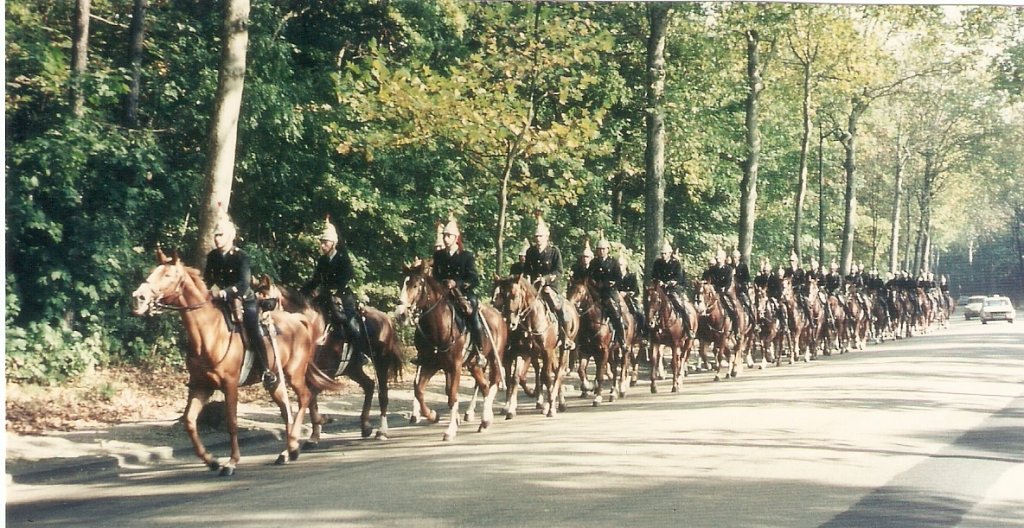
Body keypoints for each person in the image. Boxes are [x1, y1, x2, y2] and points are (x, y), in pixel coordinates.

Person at [204, 214, 277, 389]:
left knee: (253, 328)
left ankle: (266, 369)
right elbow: (207, 279)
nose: (217, 238)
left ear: (230, 236)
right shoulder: (213, 256)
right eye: (215, 235)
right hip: (220, 301)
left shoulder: (241, 256)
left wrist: (223, 292)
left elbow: (243, 284)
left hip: (243, 300)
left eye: (220, 235)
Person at [301, 216, 368, 367]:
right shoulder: (322, 261)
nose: (322, 245)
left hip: (342, 298)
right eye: (321, 242)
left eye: (325, 242)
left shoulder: (343, 259)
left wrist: (327, 290)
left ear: (333, 243)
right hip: (324, 298)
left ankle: (359, 354)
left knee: (351, 325)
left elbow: (346, 278)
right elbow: (315, 280)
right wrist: (302, 292)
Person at [432, 217, 485, 360]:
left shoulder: (466, 256)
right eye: (444, 235)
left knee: (473, 315)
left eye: (448, 236)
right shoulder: (439, 255)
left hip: (463, 293)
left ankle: (478, 350)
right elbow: (435, 276)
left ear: (456, 238)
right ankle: (427, 351)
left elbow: (474, 279)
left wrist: (457, 284)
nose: (445, 238)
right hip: (443, 294)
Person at [523, 215, 572, 350]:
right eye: (536, 236)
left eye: (540, 236)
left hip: (550, 287)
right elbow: (526, 270)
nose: (538, 239)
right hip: (533, 287)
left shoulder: (554, 252)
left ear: (546, 236)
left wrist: (546, 280)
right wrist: (527, 280)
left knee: (559, 308)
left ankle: (565, 337)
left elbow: (559, 271)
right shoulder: (530, 251)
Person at [586, 235, 626, 349]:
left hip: (609, 293)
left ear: (608, 250)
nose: (601, 251)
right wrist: (593, 283)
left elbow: (619, 278)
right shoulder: (593, 262)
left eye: (603, 249)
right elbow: (589, 276)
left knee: (616, 313)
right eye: (599, 249)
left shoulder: (613, 262)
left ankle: (621, 339)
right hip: (595, 293)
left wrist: (613, 283)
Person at [650, 240, 689, 321]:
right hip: (660, 289)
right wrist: (658, 281)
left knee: (680, 305)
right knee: (651, 304)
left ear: (670, 253)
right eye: (662, 253)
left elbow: (678, 277)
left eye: (665, 253)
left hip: (672, 289)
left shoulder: (675, 263)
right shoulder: (657, 263)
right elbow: (654, 276)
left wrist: (669, 283)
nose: (663, 255)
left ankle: (687, 325)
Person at [708, 248, 740, 337]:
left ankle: (736, 329)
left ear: (723, 259)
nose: (717, 259)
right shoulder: (712, 269)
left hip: (724, 293)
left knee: (733, 308)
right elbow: (709, 280)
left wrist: (724, 289)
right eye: (716, 258)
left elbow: (729, 282)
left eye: (719, 258)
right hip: (713, 292)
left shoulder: (728, 269)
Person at [617, 255, 644, 331]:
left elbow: (635, 291)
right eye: (618, 265)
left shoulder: (632, 276)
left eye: (621, 265)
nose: (619, 267)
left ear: (625, 265)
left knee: (639, 313)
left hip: (629, 299)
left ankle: (642, 333)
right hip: (617, 299)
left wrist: (626, 293)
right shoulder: (615, 277)